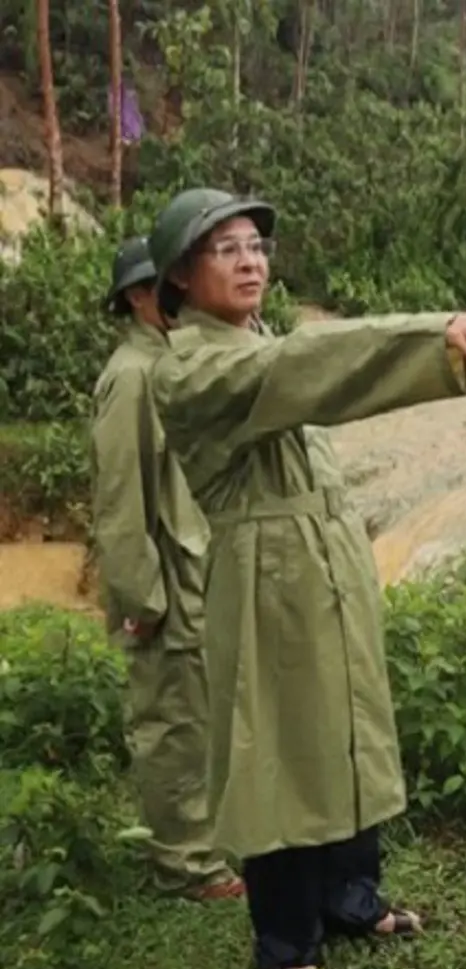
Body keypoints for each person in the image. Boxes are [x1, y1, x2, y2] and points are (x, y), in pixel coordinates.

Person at [144, 187, 466, 969]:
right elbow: (310, 365)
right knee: (280, 749)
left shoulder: (254, 339)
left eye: (257, 247)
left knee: (345, 730)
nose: (251, 261)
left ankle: (353, 899)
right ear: (180, 275)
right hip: (265, 573)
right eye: (227, 249)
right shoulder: (195, 364)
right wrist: (433, 337)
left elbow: (298, 365)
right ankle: (287, 944)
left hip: (320, 562)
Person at [89, 237, 245, 903]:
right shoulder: (131, 376)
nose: (177, 296)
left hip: (191, 573)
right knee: (172, 723)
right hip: (163, 587)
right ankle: (186, 866)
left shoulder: (167, 363)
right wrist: (142, 598)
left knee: (198, 715)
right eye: (162, 286)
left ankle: (208, 848)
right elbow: (121, 504)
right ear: (136, 296)